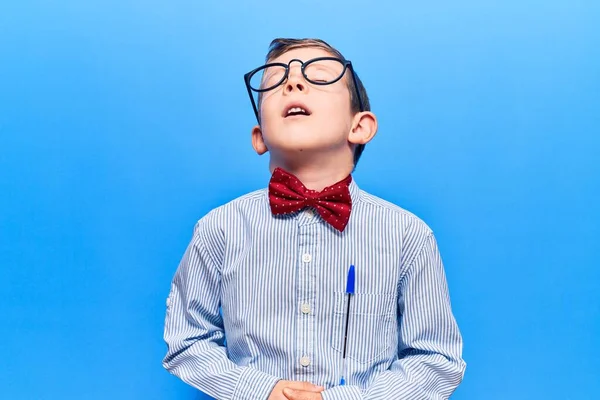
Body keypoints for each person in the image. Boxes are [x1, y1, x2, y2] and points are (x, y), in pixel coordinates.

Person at [162, 38, 466, 400]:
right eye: (275, 80)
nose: (293, 82)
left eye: (319, 75)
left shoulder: (407, 236)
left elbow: (436, 358)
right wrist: (259, 390)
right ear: (259, 136)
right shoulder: (220, 228)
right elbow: (186, 340)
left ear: (361, 127)